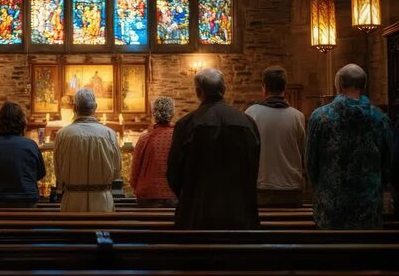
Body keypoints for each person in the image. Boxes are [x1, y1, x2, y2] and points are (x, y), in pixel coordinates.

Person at [167, 68, 260, 229]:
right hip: (239, 214)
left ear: (198, 92)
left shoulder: (187, 124)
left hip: (197, 214)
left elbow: (174, 172)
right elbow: (254, 167)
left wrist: (190, 195)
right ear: (223, 90)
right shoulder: (247, 122)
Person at [305, 64, 393, 229]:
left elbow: (311, 162)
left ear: (339, 85)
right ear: (364, 86)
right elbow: (388, 163)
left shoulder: (320, 117)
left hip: (330, 209)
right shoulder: (380, 119)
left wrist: (318, 188)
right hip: (368, 209)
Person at [245, 66, 305, 207]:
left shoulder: (251, 114)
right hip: (291, 188)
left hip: (262, 188)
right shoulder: (298, 116)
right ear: (285, 88)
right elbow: (303, 151)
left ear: (264, 87)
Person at [54, 88, 122, 212]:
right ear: (95, 107)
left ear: (74, 108)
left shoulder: (63, 134)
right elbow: (116, 171)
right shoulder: (109, 134)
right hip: (101, 202)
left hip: (72, 203)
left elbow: (58, 171)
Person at [0, 101, 46, 208]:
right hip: (26, 202)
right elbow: (40, 173)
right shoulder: (31, 145)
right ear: (22, 122)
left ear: (0, 122)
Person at [130, 96, 177, 208]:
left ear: (154, 114)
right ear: (172, 113)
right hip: (173, 194)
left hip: (148, 195)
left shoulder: (145, 138)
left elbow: (134, 171)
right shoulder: (179, 137)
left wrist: (136, 186)